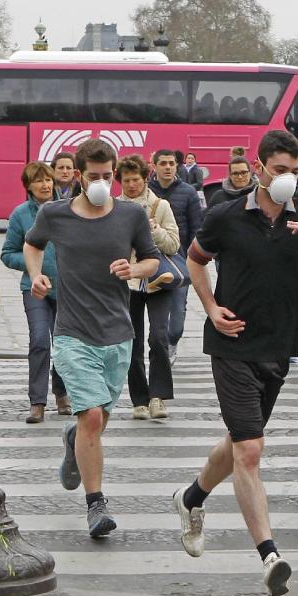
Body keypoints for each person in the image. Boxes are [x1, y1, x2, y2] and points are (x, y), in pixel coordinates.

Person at [173, 129, 298, 596]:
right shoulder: (224, 216)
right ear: (260, 169)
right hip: (230, 344)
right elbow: (195, 258)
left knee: (240, 441)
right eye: (280, 170)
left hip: (279, 346)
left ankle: (191, 498)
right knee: (249, 449)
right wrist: (209, 306)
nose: (288, 178)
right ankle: (270, 556)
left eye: (295, 171)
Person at [24, 138, 161, 538]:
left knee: (93, 424)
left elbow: (153, 258)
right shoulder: (55, 213)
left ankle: (74, 441)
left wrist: (136, 270)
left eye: (108, 176)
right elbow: (32, 245)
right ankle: (96, 505)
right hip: (71, 333)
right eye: (94, 176)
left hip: (118, 335)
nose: (102, 182)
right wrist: (36, 276)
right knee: (93, 416)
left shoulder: (131, 215)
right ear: (79, 177)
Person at [0, 161, 71, 423]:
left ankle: (62, 393)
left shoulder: (67, 209)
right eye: (39, 181)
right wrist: (33, 267)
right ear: (28, 186)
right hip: (35, 290)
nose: (45, 185)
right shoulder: (21, 214)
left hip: (66, 288)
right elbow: (8, 253)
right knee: (40, 340)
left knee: (64, 345)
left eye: (49, 180)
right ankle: (37, 401)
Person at [117, 154, 181, 420]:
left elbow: (174, 244)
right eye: (127, 180)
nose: (132, 185)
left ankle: (158, 397)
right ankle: (139, 400)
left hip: (158, 281)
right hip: (128, 282)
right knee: (132, 341)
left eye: (136, 180)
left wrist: (152, 228)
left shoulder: (160, 206)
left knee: (159, 336)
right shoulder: (114, 207)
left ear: (145, 179)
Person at [149, 149, 203, 364]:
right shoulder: (146, 191)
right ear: (154, 166)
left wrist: (190, 257)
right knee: (156, 316)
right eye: (163, 163)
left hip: (179, 260)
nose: (168, 167)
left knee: (177, 316)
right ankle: (159, 349)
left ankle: (172, 341)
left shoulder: (188, 192)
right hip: (149, 261)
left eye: (172, 163)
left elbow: (195, 227)